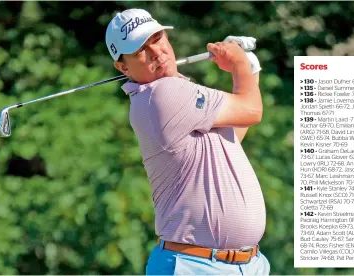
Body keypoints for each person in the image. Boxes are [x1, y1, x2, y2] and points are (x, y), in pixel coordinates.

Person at [105, 8, 270, 275]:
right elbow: (252, 110)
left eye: (157, 39)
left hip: (244, 265)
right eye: (140, 52)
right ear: (123, 67)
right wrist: (239, 64)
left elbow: (231, 136)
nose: (157, 53)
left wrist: (250, 69)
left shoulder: (170, 94)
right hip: (195, 266)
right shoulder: (162, 94)